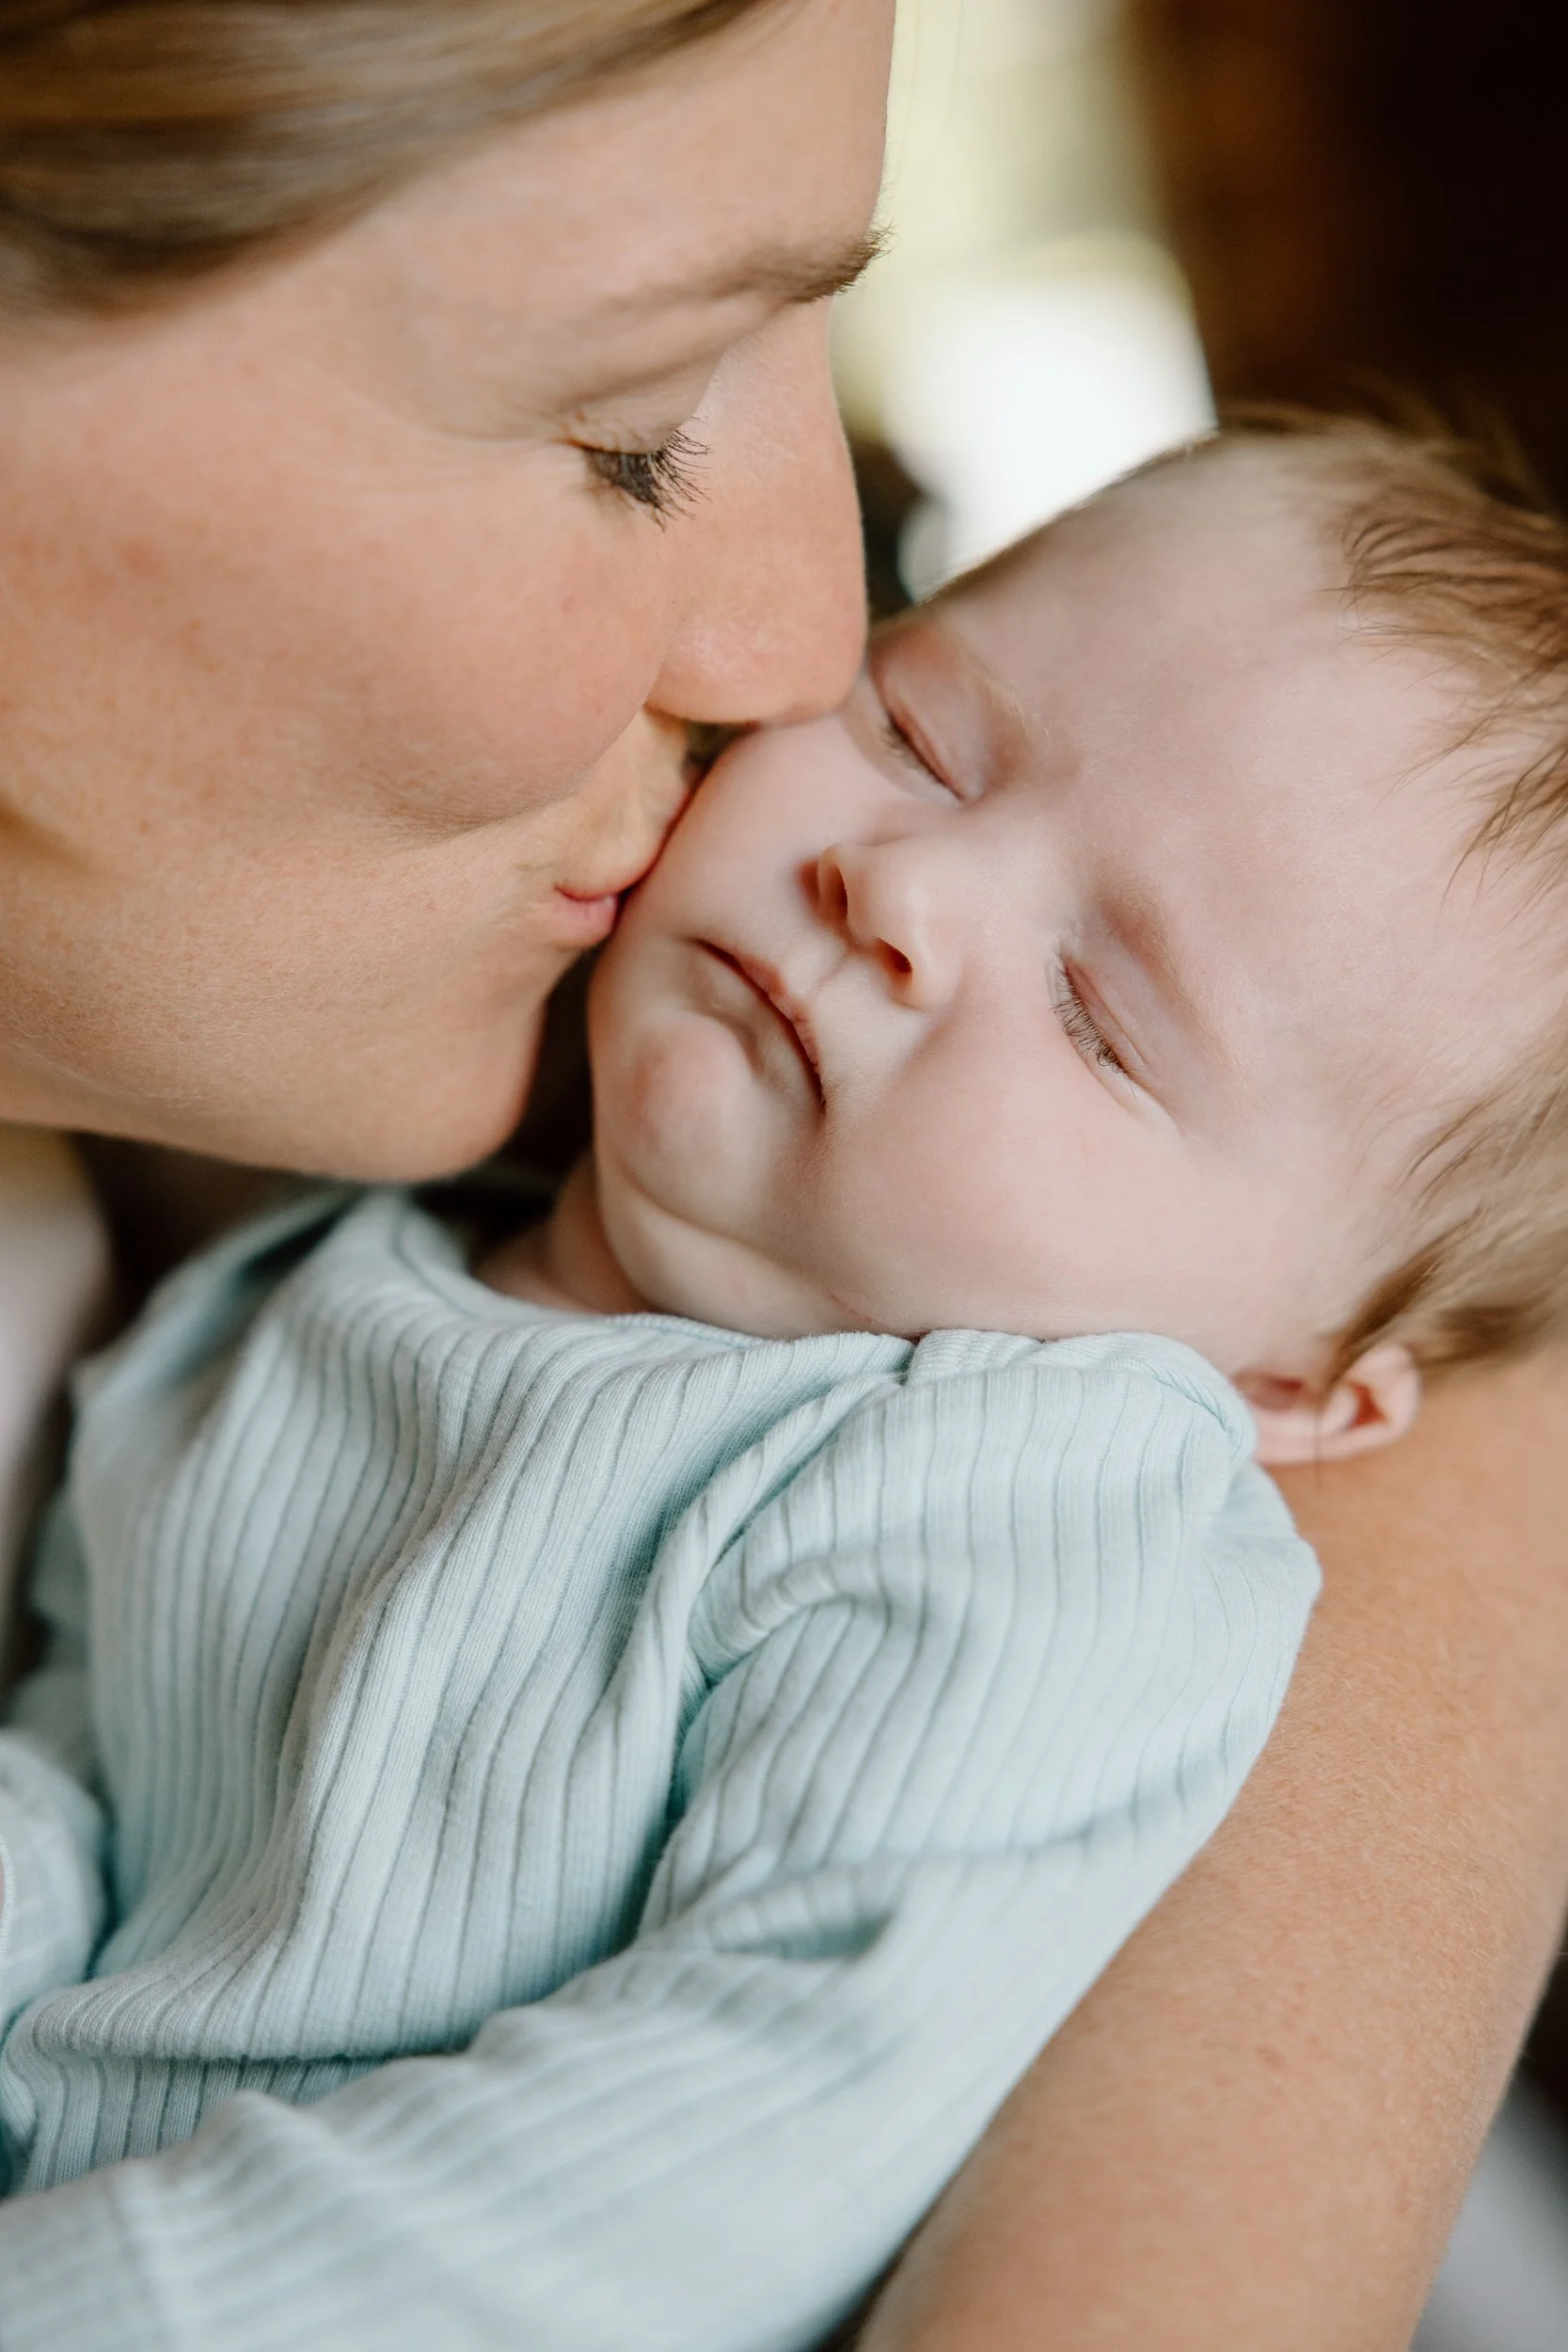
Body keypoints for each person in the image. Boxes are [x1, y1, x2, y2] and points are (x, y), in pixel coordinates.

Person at [0, 5, 1566, 2346]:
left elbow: (752, 2101)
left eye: (1103, 1016)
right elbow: (79, 1792)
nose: (900, 895)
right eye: (925, 732)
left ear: (1302, 1382)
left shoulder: (1007, 1510)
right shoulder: (309, 1289)